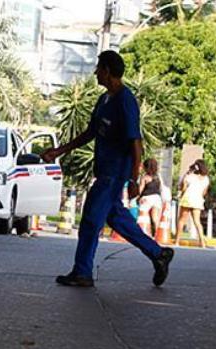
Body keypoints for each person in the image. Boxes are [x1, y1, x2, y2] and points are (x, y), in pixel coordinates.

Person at [41, 50, 174, 288]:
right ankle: (158, 253)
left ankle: (82, 271)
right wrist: (59, 151)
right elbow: (91, 132)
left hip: (114, 174)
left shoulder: (126, 101)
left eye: (99, 68)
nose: (95, 73)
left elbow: (136, 142)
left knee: (91, 219)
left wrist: (134, 179)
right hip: (103, 170)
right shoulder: (104, 100)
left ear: (108, 71)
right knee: (116, 217)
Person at [174, 160, 210, 248]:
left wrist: (181, 194)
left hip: (187, 199)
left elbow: (183, 188)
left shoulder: (189, 176)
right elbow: (204, 192)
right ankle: (202, 242)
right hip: (198, 200)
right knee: (197, 222)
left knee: (181, 220)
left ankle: (177, 241)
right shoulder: (206, 179)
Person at [138, 159, 164, 236]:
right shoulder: (158, 177)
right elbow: (161, 188)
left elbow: (140, 189)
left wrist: (139, 197)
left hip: (147, 198)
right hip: (157, 198)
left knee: (143, 215)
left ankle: (144, 232)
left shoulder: (145, 177)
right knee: (155, 217)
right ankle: (156, 234)